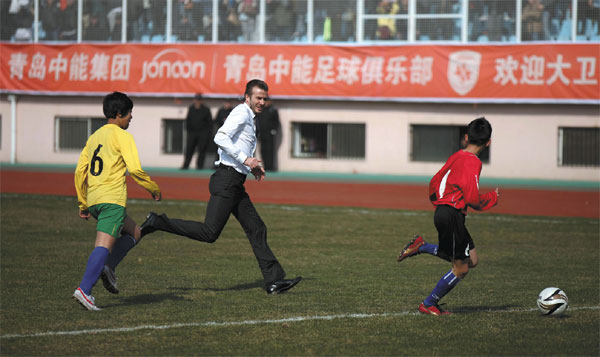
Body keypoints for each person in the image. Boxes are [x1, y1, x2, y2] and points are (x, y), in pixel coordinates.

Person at [140, 79, 301, 294]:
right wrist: (246, 160)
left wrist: (249, 166)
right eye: (258, 98)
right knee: (209, 233)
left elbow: (236, 145)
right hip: (226, 181)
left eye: (265, 98)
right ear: (247, 98)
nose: (262, 102)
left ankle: (274, 281)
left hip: (235, 182)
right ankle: (157, 222)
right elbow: (220, 137)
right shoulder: (241, 113)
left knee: (257, 227)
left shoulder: (252, 118)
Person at [397, 117, 499, 316]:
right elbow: (473, 198)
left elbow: (435, 181)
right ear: (488, 142)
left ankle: (422, 246)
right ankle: (428, 303)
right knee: (461, 269)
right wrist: (492, 198)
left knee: (472, 260)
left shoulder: (457, 155)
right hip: (451, 215)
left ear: (466, 137)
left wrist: (440, 204)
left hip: (448, 214)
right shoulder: (473, 162)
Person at [73, 92, 161, 311]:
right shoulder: (123, 136)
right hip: (111, 200)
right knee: (103, 245)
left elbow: (79, 171)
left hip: (95, 200)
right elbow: (135, 169)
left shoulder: (94, 137)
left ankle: (108, 267)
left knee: (135, 233)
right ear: (119, 113)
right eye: (130, 113)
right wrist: (153, 188)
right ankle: (84, 289)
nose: (131, 118)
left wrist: (83, 204)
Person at [182, 93, 213, 169]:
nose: (197, 101)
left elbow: (210, 123)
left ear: (201, 101)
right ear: (194, 100)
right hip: (192, 133)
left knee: (202, 150)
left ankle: (199, 166)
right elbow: (188, 120)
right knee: (189, 149)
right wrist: (189, 130)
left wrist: (206, 133)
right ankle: (186, 165)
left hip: (203, 133)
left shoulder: (206, 109)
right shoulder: (191, 108)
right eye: (196, 100)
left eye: (199, 100)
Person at [256, 98, 280, 171]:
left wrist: (274, 130)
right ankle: (265, 166)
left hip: (270, 134)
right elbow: (257, 121)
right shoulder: (261, 110)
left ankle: (270, 167)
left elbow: (277, 122)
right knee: (263, 150)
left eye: (268, 101)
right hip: (262, 133)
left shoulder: (273, 110)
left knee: (270, 150)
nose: (266, 103)